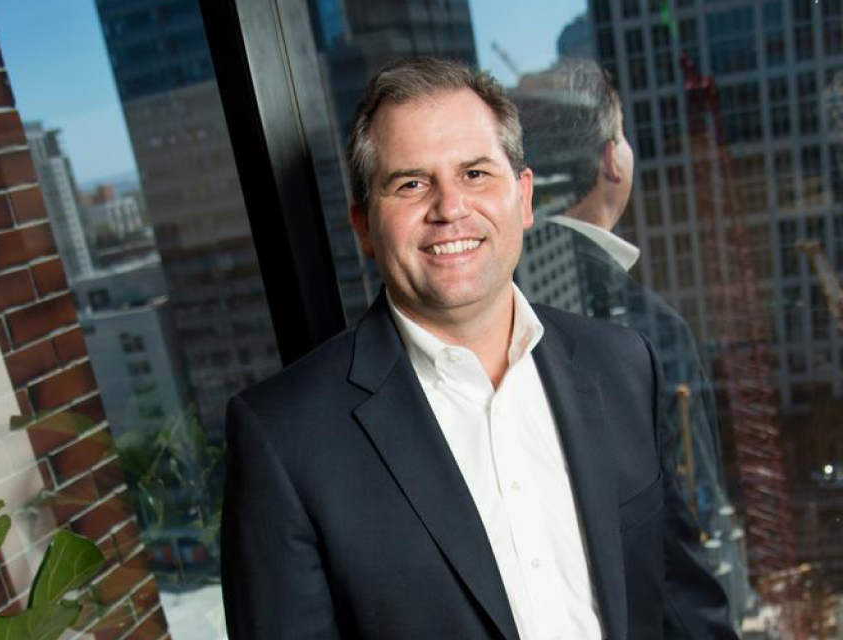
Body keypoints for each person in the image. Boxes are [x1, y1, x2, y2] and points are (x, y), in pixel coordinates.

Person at [221, 57, 736, 639]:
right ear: (363, 226)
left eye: (475, 173)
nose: (450, 208)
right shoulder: (284, 440)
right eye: (411, 184)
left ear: (524, 197)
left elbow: (687, 608)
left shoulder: (623, 364)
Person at [516, 59, 748, 622]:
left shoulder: (502, 295)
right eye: (622, 136)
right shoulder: (643, 329)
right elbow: (691, 524)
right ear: (609, 160)